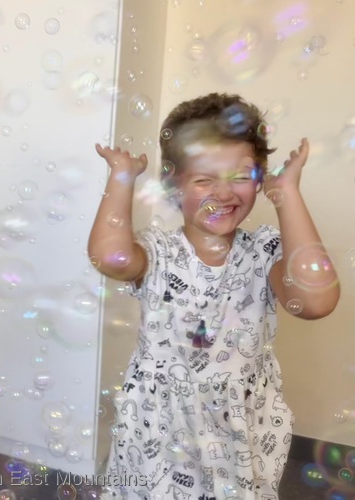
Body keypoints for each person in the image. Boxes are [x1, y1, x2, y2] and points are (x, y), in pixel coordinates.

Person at [88, 93, 340, 498]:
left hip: (239, 425)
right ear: (174, 187)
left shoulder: (265, 252)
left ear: (260, 180)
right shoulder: (158, 252)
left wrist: (287, 194)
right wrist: (121, 176)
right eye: (204, 179)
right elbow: (109, 256)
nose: (223, 194)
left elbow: (316, 302)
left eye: (241, 176)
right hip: (160, 426)